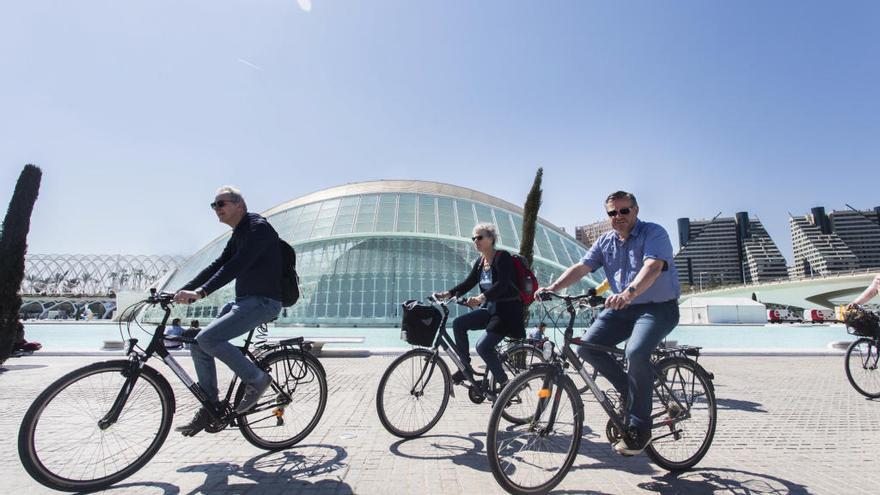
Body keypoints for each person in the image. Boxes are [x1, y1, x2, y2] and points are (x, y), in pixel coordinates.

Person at [537, 191, 680, 456]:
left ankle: (640, 427)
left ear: (635, 210)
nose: (618, 217)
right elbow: (582, 267)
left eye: (624, 211)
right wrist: (553, 287)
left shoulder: (654, 233)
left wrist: (629, 292)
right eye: (612, 213)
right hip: (623, 309)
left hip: (658, 308)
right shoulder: (606, 241)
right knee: (587, 347)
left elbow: (652, 267)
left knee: (635, 352)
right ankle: (629, 392)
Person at [173, 185, 283, 437]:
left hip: (263, 302)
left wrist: (201, 293)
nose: (216, 209)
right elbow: (217, 265)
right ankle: (211, 405)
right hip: (244, 301)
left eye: (220, 204)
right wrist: (179, 291)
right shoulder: (238, 234)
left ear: (239, 206)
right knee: (197, 342)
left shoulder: (258, 228)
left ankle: (257, 379)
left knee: (208, 338)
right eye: (214, 205)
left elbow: (236, 265)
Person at [433, 223, 525, 398]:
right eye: (473, 238)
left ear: (491, 239)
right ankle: (465, 365)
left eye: (480, 237)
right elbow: (468, 283)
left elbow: (502, 284)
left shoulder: (502, 257)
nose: (476, 241)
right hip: (491, 309)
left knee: (483, 347)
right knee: (459, 324)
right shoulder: (480, 262)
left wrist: (481, 298)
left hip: (507, 311)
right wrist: (448, 293)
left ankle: (508, 386)